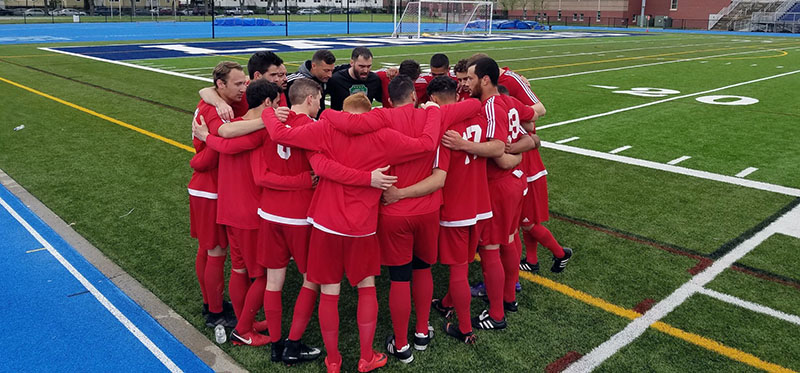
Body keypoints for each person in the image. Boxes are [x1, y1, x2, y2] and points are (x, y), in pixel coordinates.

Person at [261, 92, 443, 373]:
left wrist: (268, 112)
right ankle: (366, 356)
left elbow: (278, 134)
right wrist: (432, 111)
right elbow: (427, 144)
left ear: (344, 111)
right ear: (369, 112)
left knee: (329, 291)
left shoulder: (325, 127)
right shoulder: (385, 136)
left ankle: (333, 360)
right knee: (366, 288)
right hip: (362, 227)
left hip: (325, 223)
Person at [193, 78, 283, 347]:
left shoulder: (234, 123)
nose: (279, 108)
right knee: (262, 275)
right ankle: (244, 330)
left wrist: (206, 137)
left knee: (240, 270)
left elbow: (223, 142)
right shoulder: (259, 131)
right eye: (277, 103)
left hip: (229, 210)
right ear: (267, 103)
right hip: (250, 213)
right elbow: (230, 146)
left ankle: (247, 319)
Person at [461, 57, 536, 331]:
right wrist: (521, 147)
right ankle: (508, 298)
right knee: (509, 238)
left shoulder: (492, 104)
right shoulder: (507, 101)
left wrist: (464, 144)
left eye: (470, 78)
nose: (466, 83)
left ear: (485, 79)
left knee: (490, 247)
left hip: (500, 185)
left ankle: (496, 314)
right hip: (516, 183)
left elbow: (497, 153)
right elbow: (532, 122)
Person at [188, 61, 246, 329]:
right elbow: (212, 156)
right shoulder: (216, 111)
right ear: (220, 85)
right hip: (210, 188)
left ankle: (210, 302)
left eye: (245, 82)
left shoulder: (220, 102)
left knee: (208, 248)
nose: (243, 88)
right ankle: (215, 311)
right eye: (237, 83)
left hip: (207, 186)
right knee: (216, 250)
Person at [286, 49, 339, 117]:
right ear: (313, 66)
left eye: (331, 70)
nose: (330, 75)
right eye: (326, 70)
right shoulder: (293, 81)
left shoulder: (324, 78)